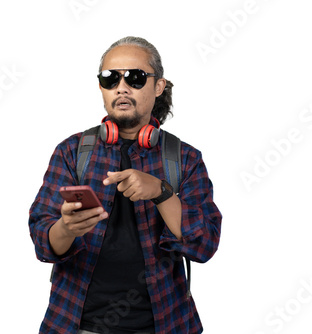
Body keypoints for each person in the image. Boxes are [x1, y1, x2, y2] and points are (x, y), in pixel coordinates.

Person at [29, 36, 222, 334]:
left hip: (165, 324)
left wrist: (161, 192)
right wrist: (66, 228)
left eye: (135, 77)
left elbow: (204, 244)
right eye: (110, 78)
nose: (121, 87)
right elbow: (43, 240)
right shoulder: (72, 151)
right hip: (75, 324)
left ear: (158, 86)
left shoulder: (184, 158)